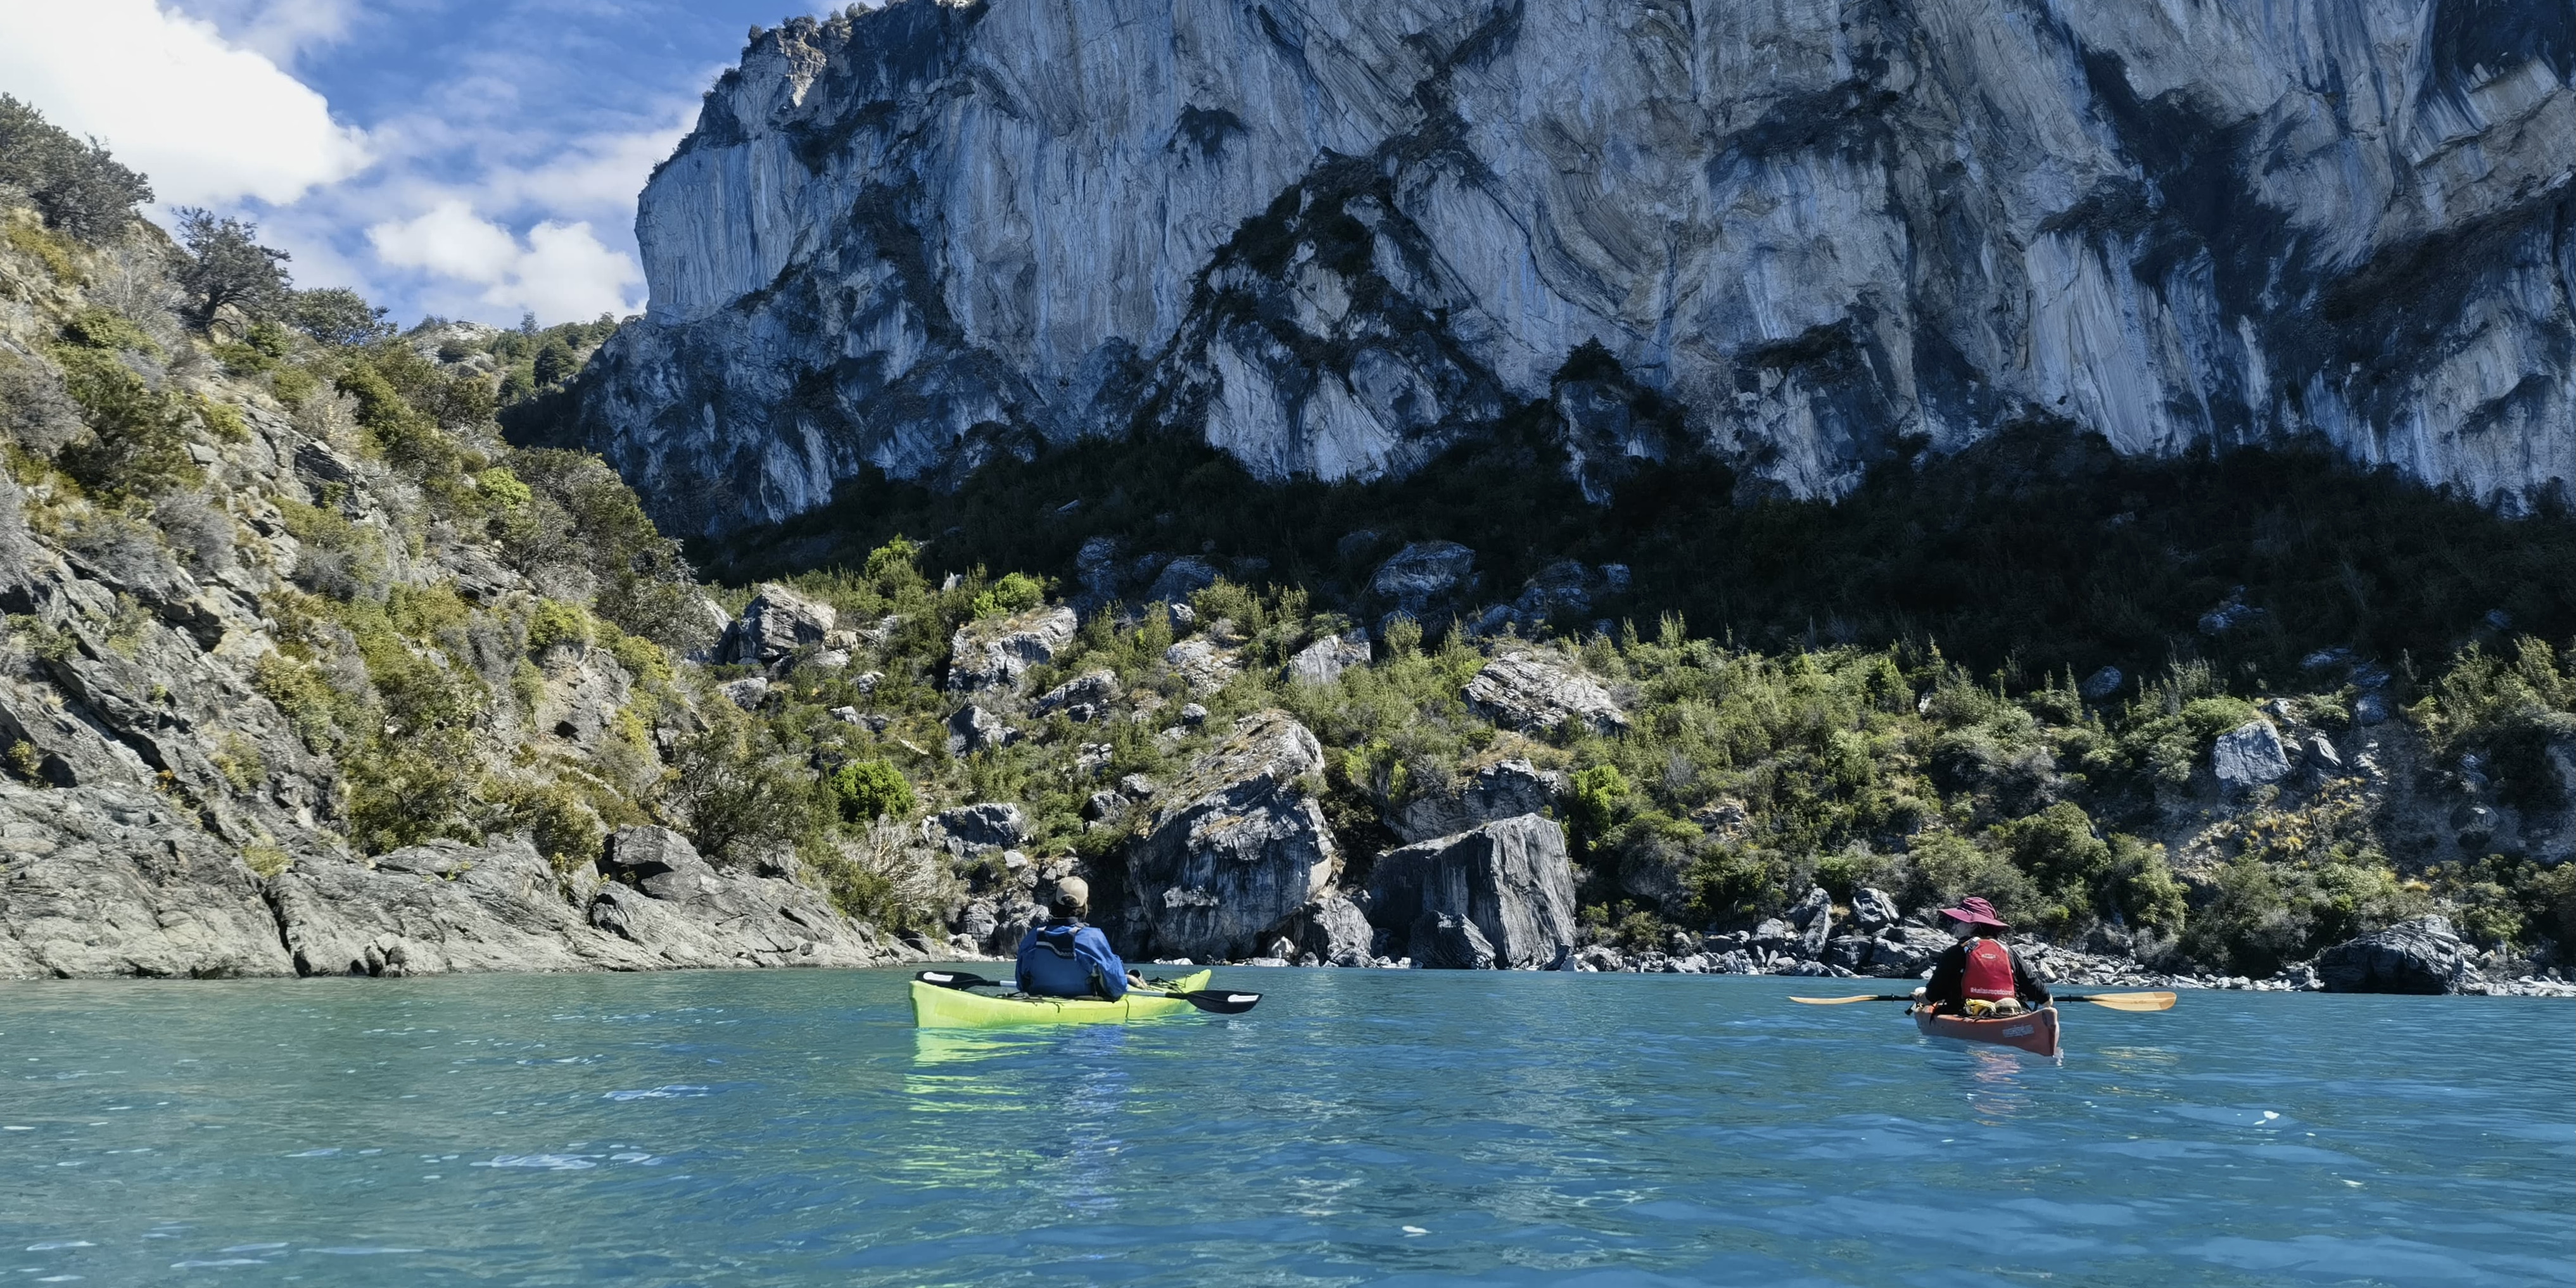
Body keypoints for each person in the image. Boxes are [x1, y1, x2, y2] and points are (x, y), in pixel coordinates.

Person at [1916, 897, 2052, 1016]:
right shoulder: (2009, 952)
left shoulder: (1955, 953)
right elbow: (2045, 998)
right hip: (2009, 1015)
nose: (1954, 925)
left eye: (1957, 921)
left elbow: (1931, 997)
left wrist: (1919, 997)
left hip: (1965, 1016)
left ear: (1973, 925)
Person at [1014, 877, 1145, 1000]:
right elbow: (1118, 988)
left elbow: (1021, 983)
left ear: (1056, 901)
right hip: (1087, 1002)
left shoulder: (1033, 936)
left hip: (1039, 999)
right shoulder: (1092, 937)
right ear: (1084, 906)